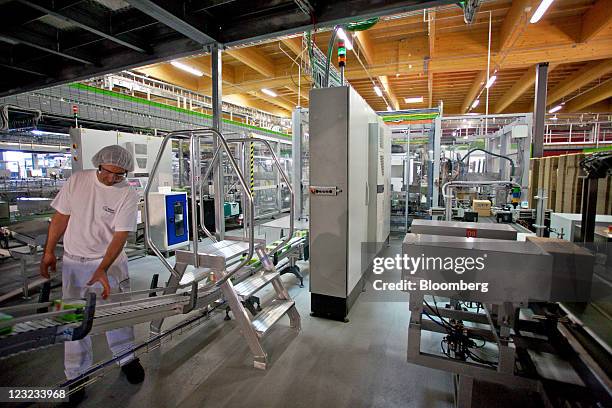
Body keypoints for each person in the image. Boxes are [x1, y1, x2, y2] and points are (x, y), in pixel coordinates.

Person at [40, 145, 145, 404]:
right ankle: (75, 376)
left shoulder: (127, 193)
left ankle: (126, 356)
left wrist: (102, 269)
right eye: (107, 172)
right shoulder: (78, 181)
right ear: (98, 165)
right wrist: (49, 251)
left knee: (117, 314)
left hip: (108, 263)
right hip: (75, 263)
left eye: (118, 174)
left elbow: (120, 235)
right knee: (73, 319)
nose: (111, 178)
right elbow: (61, 217)